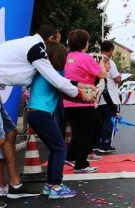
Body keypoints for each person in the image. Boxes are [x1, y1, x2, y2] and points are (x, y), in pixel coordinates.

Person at [0, 23, 95, 208]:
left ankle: (15, 185)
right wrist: (82, 94)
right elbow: (55, 79)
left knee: (10, 133)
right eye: (58, 41)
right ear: (51, 39)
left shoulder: (28, 45)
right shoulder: (36, 49)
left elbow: (56, 78)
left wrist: (79, 87)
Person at [27, 42, 80, 199]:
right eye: (65, 57)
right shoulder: (53, 73)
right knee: (59, 148)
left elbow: (65, 91)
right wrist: (85, 94)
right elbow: (67, 88)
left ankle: (50, 185)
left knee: (55, 147)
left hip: (37, 113)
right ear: (58, 56)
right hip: (41, 113)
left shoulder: (45, 72)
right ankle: (56, 186)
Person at [63, 29, 108, 173]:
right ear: (84, 43)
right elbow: (102, 74)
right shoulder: (85, 58)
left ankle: (70, 156)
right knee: (91, 131)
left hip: (68, 101)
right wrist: (101, 63)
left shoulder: (67, 57)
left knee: (79, 131)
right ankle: (81, 164)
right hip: (84, 100)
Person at [94, 40, 122, 154]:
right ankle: (105, 145)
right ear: (111, 50)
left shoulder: (96, 60)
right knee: (110, 122)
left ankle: (96, 144)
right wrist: (120, 76)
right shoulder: (109, 62)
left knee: (99, 123)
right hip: (111, 98)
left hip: (99, 98)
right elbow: (117, 79)